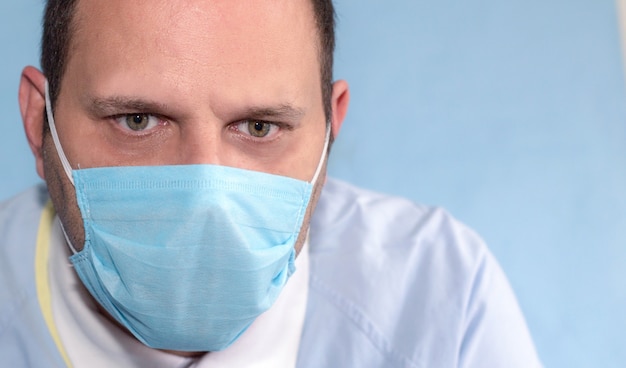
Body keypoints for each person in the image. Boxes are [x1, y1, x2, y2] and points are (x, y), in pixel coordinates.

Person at [0, 0, 542, 366]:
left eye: (259, 127)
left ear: (330, 133)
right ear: (36, 120)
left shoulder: (441, 299)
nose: (204, 198)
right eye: (137, 120)